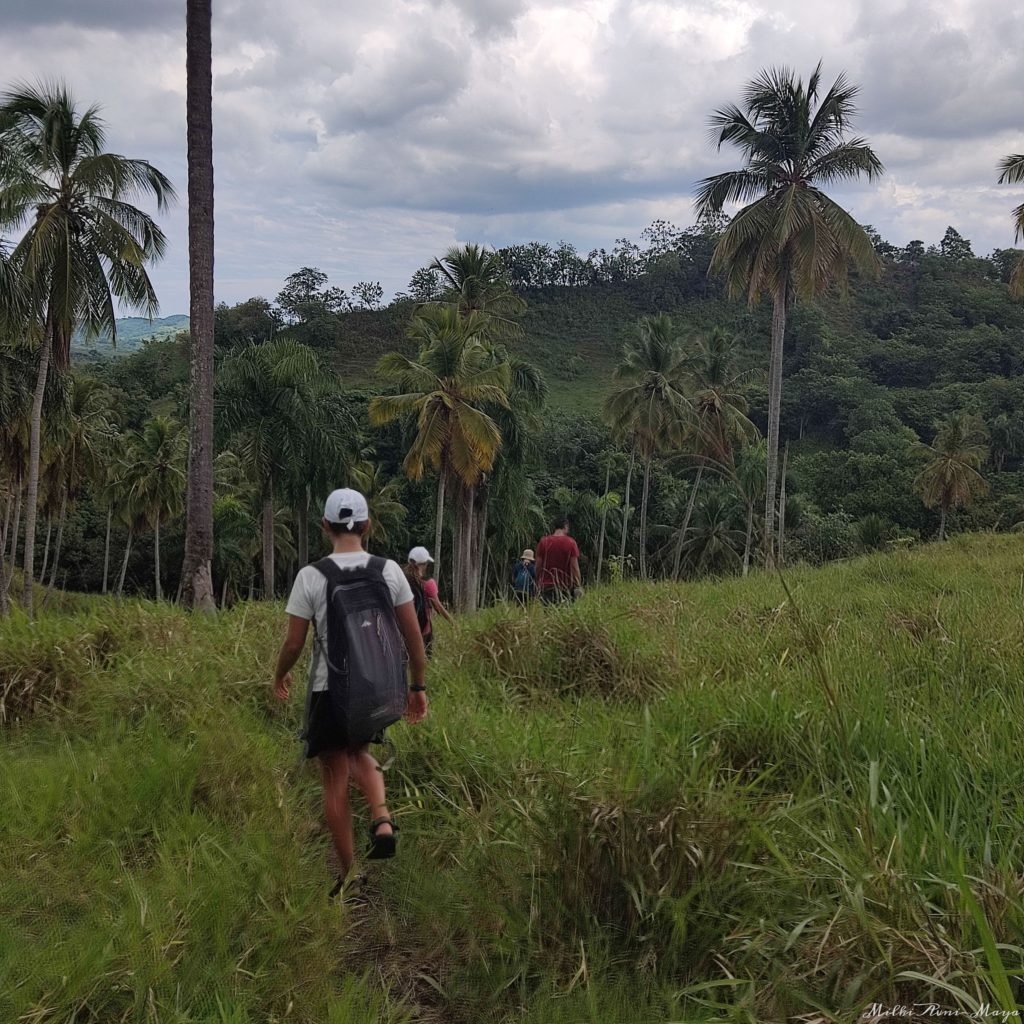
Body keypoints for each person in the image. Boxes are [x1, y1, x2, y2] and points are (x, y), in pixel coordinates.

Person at [272, 488, 428, 899]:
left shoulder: (312, 575)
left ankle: (348, 874)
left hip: (331, 691)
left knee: (334, 776)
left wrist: (279, 676)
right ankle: (381, 817)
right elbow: (414, 637)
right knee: (360, 752)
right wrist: (417, 687)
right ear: (367, 525)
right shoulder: (390, 570)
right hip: (378, 687)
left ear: (325, 526)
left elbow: (293, 644)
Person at [404, 545, 453, 657]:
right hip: (423, 629)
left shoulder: (403, 579)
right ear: (424, 564)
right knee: (425, 660)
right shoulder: (428, 583)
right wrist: (453, 623)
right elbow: (438, 607)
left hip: (405, 628)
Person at [535, 517, 582, 604]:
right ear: (565, 526)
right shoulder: (571, 543)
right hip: (565, 587)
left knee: (548, 614)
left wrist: (537, 581)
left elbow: (538, 566)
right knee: (564, 615)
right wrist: (578, 585)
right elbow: (574, 567)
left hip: (547, 586)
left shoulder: (543, 542)